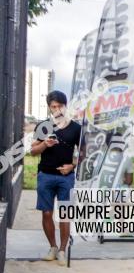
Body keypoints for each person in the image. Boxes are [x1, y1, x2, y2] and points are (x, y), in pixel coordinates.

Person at [30, 90, 82, 264]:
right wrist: (45, 143)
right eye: (54, 106)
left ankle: (62, 250)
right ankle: (52, 246)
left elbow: (84, 154)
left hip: (66, 177)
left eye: (60, 106)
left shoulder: (76, 128)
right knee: (46, 213)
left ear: (65, 106)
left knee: (65, 214)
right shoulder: (43, 126)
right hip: (45, 175)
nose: (57, 109)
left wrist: (72, 165)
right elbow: (32, 151)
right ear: (49, 108)